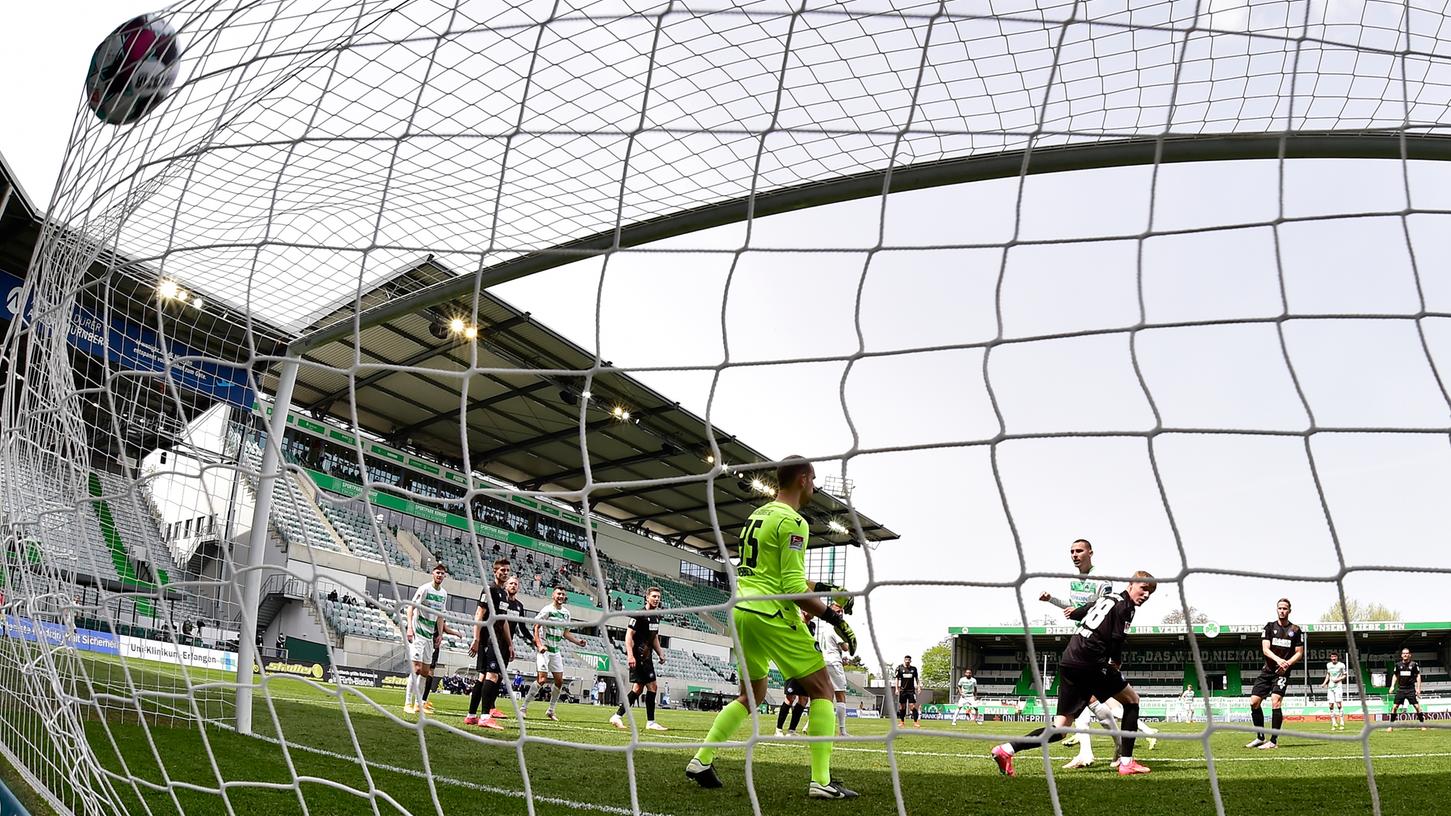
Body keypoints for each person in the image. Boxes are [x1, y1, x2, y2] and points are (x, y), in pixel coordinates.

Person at [685, 456, 859, 799]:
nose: (814, 488)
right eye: (813, 481)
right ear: (804, 479)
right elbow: (791, 588)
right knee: (823, 689)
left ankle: (701, 760)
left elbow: (773, 573)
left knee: (751, 695)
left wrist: (821, 588)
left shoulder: (757, 516)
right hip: (771, 614)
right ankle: (821, 782)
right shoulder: (794, 521)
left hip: (742, 611)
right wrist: (835, 618)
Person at [991, 572, 1158, 778]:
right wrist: (1116, 661)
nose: (1146, 594)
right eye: (1143, 588)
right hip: (1090, 661)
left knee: (1060, 728)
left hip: (1070, 659)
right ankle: (1126, 763)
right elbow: (1116, 639)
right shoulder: (1126, 607)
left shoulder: (1107, 598)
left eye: (1150, 592)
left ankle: (1006, 750)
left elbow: (1078, 614)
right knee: (1132, 700)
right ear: (1131, 584)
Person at [1039, 538, 1121, 770]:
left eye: (1079, 551)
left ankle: (1114, 747)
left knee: (1090, 700)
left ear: (1090, 553)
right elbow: (1073, 608)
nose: (1074, 555)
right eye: (1072, 551)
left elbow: (1103, 606)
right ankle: (1089, 752)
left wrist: (1078, 612)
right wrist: (1051, 600)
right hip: (1081, 641)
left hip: (1096, 643)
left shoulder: (1101, 578)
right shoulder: (1075, 581)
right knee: (1086, 702)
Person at [1246, 598, 1303, 749]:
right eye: (1280, 608)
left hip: (1282, 673)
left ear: (1289, 610)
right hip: (1268, 670)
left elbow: (1299, 653)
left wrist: (1287, 664)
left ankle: (1273, 741)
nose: (1282, 611)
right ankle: (1260, 737)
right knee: (1254, 702)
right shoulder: (1269, 627)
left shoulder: (1296, 630)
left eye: (1285, 608)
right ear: (1276, 610)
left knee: (1276, 701)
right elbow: (1265, 649)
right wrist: (1279, 660)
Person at [610, 586, 669, 731]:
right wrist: (630, 655)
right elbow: (629, 635)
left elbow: (654, 637)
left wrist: (660, 652)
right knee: (652, 686)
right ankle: (650, 722)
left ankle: (617, 716)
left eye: (658, 597)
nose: (656, 599)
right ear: (647, 597)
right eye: (654, 596)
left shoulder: (657, 616)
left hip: (647, 656)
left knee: (637, 689)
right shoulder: (639, 614)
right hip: (638, 655)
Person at [523, 587, 586, 721]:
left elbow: (565, 632)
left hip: (556, 651)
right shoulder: (547, 610)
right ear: (553, 595)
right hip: (545, 650)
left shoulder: (566, 613)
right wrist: (539, 644)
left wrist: (578, 642)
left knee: (559, 681)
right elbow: (536, 626)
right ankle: (523, 708)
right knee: (542, 679)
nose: (561, 596)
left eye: (563, 594)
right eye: (559, 593)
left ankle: (551, 710)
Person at [466, 559, 514, 730]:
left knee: (482, 676)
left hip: (498, 639)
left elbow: (504, 621)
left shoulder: (503, 593)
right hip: (488, 638)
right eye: (502, 570)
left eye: (507, 570)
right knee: (492, 676)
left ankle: (471, 716)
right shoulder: (490, 589)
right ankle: (485, 717)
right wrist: (476, 638)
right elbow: (479, 613)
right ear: (495, 571)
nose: (505, 573)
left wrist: (509, 644)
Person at [404, 563, 449, 716]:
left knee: (425, 672)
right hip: (418, 634)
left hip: (430, 636)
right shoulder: (424, 589)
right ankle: (407, 703)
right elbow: (411, 607)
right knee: (416, 669)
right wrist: (409, 627)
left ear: (445, 576)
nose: (440, 575)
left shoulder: (443, 594)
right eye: (438, 572)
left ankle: (418, 704)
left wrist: (440, 634)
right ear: (432, 573)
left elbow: (440, 616)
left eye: (442, 573)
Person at [815, 602, 851, 736]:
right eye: (838, 611)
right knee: (840, 696)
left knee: (825, 697)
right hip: (834, 662)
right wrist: (847, 636)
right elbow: (846, 647)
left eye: (842, 611)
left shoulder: (824, 627)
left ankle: (810, 724)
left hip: (823, 662)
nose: (840, 613)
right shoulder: (835, 627)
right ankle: (842, 731)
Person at [1387, 647, 1426, 731]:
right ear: (1401, 655)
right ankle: (1391, 726)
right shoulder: (1398, 665)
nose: (1405, 654)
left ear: (1409, 655)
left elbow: (1418, 676)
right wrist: (1392, 686)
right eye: (1404, 653)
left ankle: (1423, 725)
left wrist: (1418, 689)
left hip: (1410, 689)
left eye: (1407, 653)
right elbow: (1395, 675)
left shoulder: (1414, 665)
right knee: (1394, 707)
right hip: (1401, 689)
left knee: (1417, 706)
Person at [1321, 652, 1348, 731]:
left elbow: (1345, 675)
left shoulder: (1341, 665)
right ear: (1330, 658)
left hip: (1338, 686)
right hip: (1330, 687)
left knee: (1339, 704)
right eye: (1332, 657)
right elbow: (1328, 675)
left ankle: (1342, 722)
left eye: (1335, 657)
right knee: (1330, 705)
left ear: (1337, 657)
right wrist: (1324, 683)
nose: (1333, 658)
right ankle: (1334, 723)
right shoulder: (1328, 665)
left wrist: (1338, 679)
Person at [894, 656, 921, 728]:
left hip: (911, 690)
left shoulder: (914, 669)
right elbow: (896, 679)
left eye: (908, 660)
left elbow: (917, 679)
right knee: (902, 707)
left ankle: (915, 722)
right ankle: (902, 722)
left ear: (910, 661)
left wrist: (918, 687)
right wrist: (896, 689)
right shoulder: (899, 668)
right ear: (904, 660)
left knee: (912, 706)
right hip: (903, 690)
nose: (907, 661)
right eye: (906, 660)